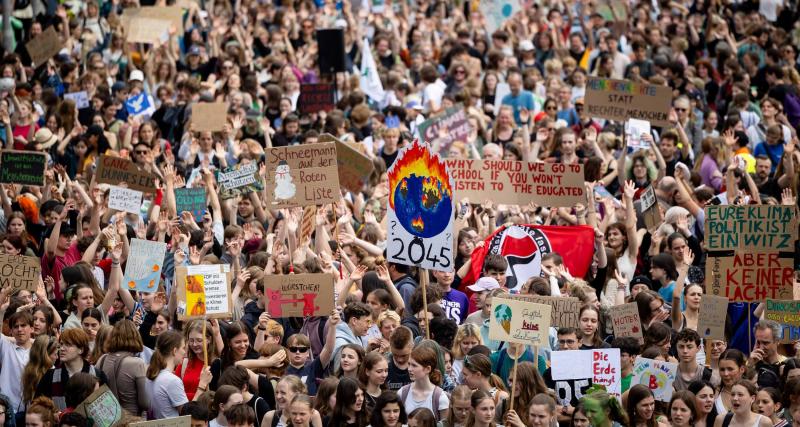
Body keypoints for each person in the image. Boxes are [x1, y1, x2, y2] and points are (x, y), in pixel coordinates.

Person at [147, 331, 210, 418]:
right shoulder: (171, 380)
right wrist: (202, 386)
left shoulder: (153, 374)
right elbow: (187, 416)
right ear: (174, 351)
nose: (185, 352)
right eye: (183, 348)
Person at [96, 319, 149, 415]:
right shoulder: (137, 364)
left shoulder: (102, 359)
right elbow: (145, 403)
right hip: (131, 419)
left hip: (109, 419)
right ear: (135, 337)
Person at [399, 346, 449, 421]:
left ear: (428, 369)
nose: (409, 369)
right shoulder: (402, 393)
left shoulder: (440, 397)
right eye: (409, 364)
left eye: (414, 365)